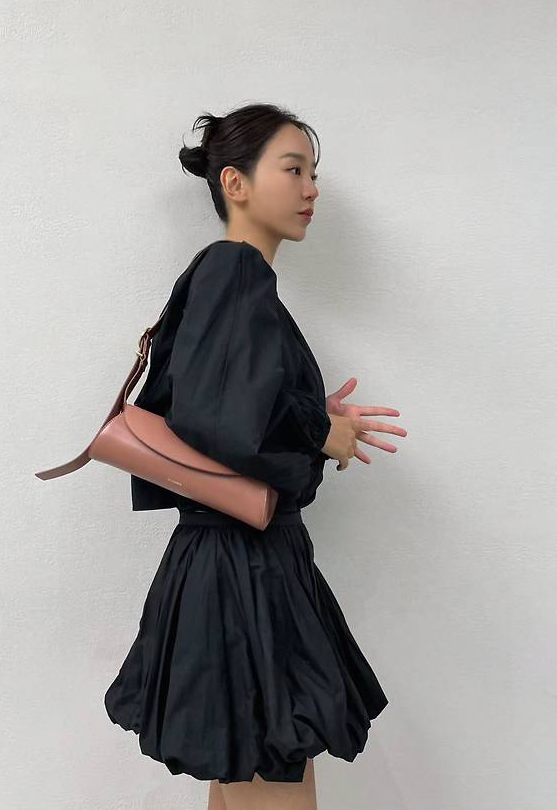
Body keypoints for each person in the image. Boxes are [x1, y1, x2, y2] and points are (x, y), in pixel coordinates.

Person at [104, 102, 407, 810]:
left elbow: (224, 405)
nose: (311, 189)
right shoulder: (237, 270)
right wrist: (317, 431)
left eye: (313, 173)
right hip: (243, 571)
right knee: (271, 781)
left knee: (246, 779)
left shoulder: (231, 278)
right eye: (293, 169)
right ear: (235, 183)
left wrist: (310, 415)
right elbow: (215, 419)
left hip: (230, 565)